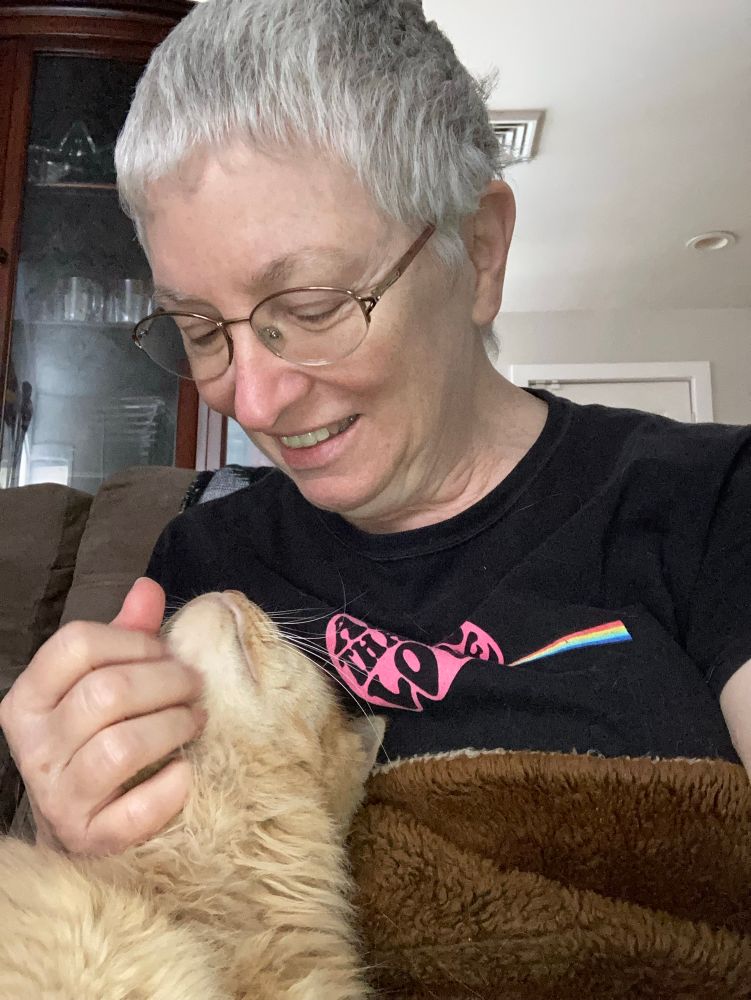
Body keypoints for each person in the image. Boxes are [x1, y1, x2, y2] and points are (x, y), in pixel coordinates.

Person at [1, 0, 750, 858]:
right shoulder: (203, 562)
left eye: (312, 308)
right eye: (201, 330)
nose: (251, 402)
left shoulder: (711, 500)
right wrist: (75, 833)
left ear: (477, 252)